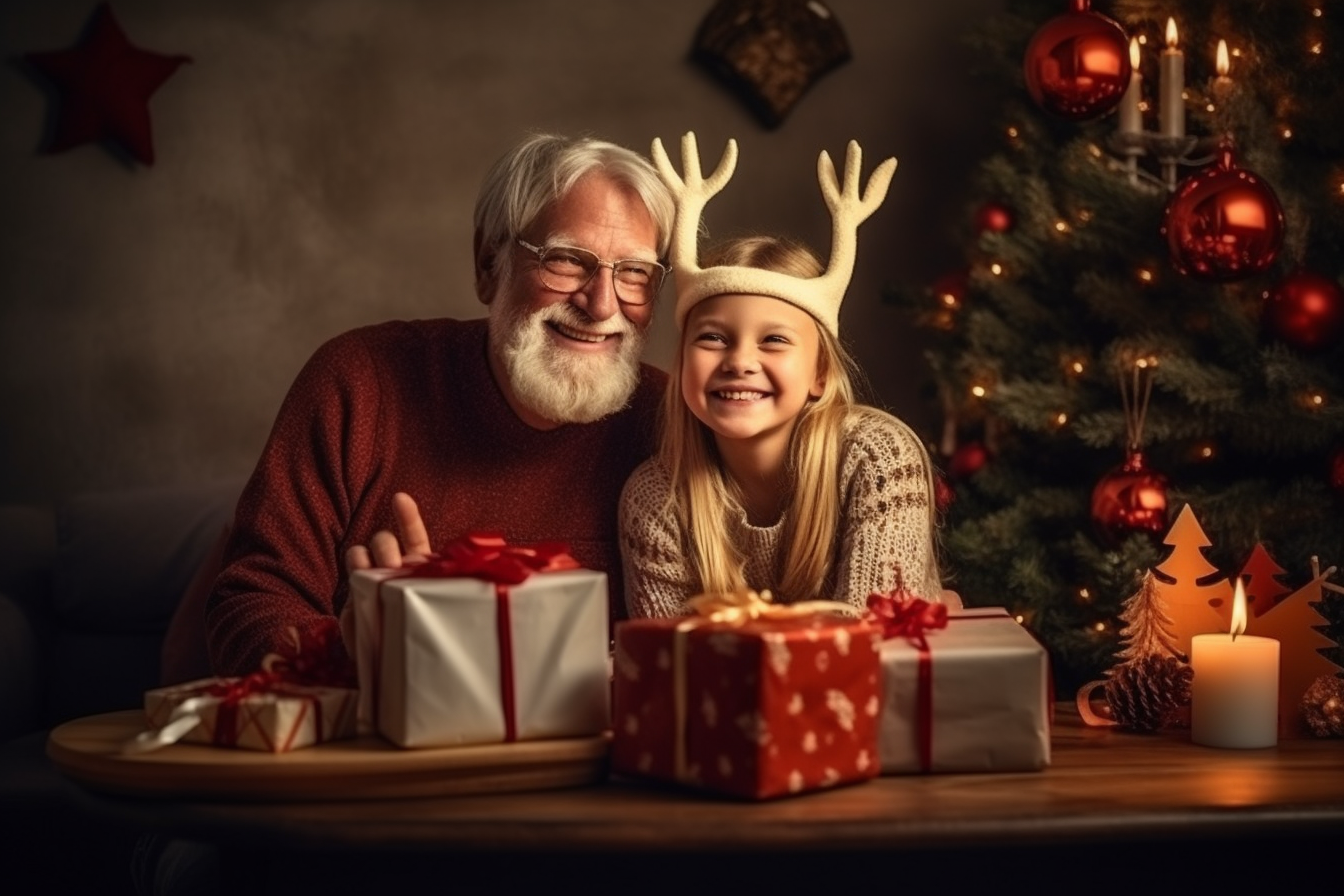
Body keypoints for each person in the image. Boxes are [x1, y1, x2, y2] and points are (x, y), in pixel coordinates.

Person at [204, 132, 676, 675]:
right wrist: (350, 656)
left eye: (635, 273)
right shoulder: (360, 382)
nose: (600, 304)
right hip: (384, 749)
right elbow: (249, 600)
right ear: (487, 262)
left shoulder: (668, 423)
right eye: (567, 260)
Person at [619, 133, 943, 617]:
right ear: (682, 359)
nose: (740, 361)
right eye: (712, 338)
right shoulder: (654, 501)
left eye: (773, 340)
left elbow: (873, 647)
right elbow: (676, 672)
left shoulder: (877, 460)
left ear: (819, 373)